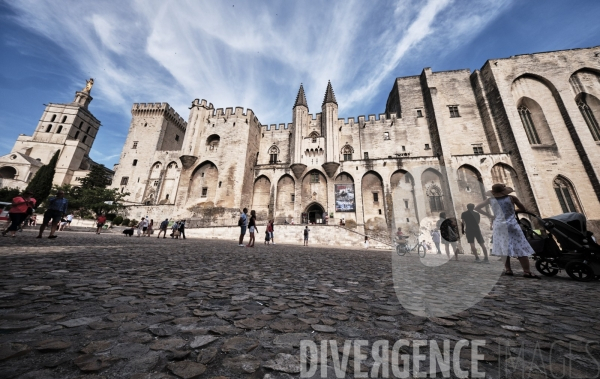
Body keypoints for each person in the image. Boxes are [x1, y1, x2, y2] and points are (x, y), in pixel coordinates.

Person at [474, 183, 539, 278]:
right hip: (512, 224)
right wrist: (513, 211)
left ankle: (508, 270)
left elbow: (477, 208)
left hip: (499, 225)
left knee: (504, 247)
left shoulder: (491, 200)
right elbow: (523, 209)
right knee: (520, 247)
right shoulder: (512, 198)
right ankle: (526, 271)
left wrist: (490, 216)